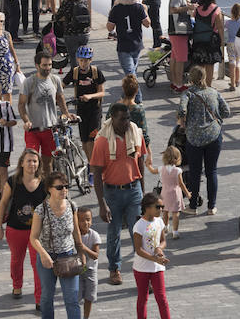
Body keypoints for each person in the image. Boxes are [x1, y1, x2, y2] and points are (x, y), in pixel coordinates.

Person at [90, 102, 147, 286]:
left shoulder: (136, 134)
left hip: (133, 191)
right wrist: (101, 204)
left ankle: (144, 271)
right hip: (112, 193)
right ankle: (114, 268)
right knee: (113, 232)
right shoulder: (102, 141)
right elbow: (97, 175)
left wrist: (143, 192)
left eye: (128, 118)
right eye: (122, 119)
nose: (126, 122)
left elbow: (141, 162)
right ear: (112, 119)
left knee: (138, 232)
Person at [30, 170, 86, 319]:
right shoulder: (41, 210)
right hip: (47, 258)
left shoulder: (72, 205)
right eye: (59, 187)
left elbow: (76, 233)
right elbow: (33, 237)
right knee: (47, 297)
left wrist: (81, 252)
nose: (64, 190)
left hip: (68, 257)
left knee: (72, 299)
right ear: (49, 189)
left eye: (66, 186)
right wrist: (43, 254)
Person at [178, 65, 230, 215]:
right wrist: (216, 119)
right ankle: (211, 206)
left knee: (195, 172)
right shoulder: (214, 92)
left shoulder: (187, 94)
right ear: (205, 77)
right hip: (213, 136)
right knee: (211, 171)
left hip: (194, 138)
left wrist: (183, 121)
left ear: (191, 78)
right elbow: (226, 111)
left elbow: (182, 109)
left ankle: (193, 206)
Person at [0, 148, 45, 306]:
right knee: (17, 260)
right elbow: (3, 203)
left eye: (35, 161)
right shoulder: (13, 181)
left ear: (39, 164)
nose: (32, 163)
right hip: (15, 229)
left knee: (37, 265)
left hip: (37, 233)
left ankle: (39, 300)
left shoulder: (45, 182)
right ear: (22, 163)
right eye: (29, 160)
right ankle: (17, 285)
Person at [20, 52, 73, 170]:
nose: (48, 68)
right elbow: (21, 104)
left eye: (50, 65)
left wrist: (66, 113)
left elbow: (60, 98)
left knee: (47, 163)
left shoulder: (56, 80)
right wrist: (26, 120)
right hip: (33, 130)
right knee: (31, 162)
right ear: (37, 65)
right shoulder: (29, 82)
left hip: (50, 130)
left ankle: (46, 187)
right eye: (44, 65)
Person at [62, 46, 106, 176]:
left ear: (91, 60)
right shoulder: (74, 72)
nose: (83, 63)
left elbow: (102, 92)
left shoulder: (95, 72)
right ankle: (91, 164)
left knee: (92, 141)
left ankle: (93, 170)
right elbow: (62, 85)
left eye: (86, 60)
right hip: (80, 111)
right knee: (84, 140)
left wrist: (90, 96)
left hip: (94, 110)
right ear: (77, 60)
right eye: (81, 60)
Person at [132, 192, 172, 319]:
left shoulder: (159, 221)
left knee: (162, 298)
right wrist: (155, 258)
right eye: (158, 207)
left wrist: (159, 248)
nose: (161, 210)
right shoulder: (138, 226)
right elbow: (138, 250)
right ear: (147, 207)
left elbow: (163, 241)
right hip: (142, 267)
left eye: (162, 207)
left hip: (157, 267)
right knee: (143, 299)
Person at [106, 0, 150, 104]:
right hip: (137, 44)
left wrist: (112, 12)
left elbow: (109, 27)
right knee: (131, 72)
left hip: (124, 46)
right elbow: (147, 23)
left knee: (130, 74)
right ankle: (129, 95)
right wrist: (145, 10)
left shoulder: (116, 8)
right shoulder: (139, 7)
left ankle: (136, 98)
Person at [109, 74, 153, 169]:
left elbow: (107, 126)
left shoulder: (114, 107)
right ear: (136, 91)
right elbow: (143, 134)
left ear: (123, 90)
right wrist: (149, 153)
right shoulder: (138, 110)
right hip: (134, 149)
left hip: (116, 148)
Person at [145, 146, 190, 239]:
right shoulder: (178, 170)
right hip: (175, 194)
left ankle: (165, 227)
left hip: (164, 193)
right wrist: (187, 193)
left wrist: (148, 165)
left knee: (165, 211)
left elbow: (153, 171)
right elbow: (181, 184)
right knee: (175, 213)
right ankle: (175, 231)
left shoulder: (161, 168)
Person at [190, 0, 225, 86]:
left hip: (198, 41)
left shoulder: (197, 9)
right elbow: (220, 27)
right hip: (210, 42)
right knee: (210, 66)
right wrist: (222, 41)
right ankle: (208, 87)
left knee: (200, 65)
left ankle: (198, 85)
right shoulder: (216, 9)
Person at [168, 0, 196, 92]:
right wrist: (188, 7)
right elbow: (174, 9)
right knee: (180, 59)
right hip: (179, 31)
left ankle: (175, 83)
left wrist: (186, 6)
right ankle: (179, 85)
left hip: (175, 31)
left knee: (175, 58)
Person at [57, 0, 92, 71]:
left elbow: (57, 17)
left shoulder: (66, 3)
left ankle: (76, 76)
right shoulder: (84, 2)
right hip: (84, 33)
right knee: (83, 55)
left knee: (73, 56)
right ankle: (85, 72)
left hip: (70, 33)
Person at [77, 207, 101, 319]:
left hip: (91, 270)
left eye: (88, 219)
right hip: (76, 271)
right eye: (81, 220)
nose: (85, 223)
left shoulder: (94, 235)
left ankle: (86, 317)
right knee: (75, 297)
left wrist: (84, 248)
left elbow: (95, 256)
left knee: (89, 297)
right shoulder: (74, 236)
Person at [225, 3, 240, 92]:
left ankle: (232, 84)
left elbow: (223, 28)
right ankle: (237, 81)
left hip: (231, 43)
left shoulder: (228, 22)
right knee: (238, 62)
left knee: (232, 63)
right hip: (239, 43)